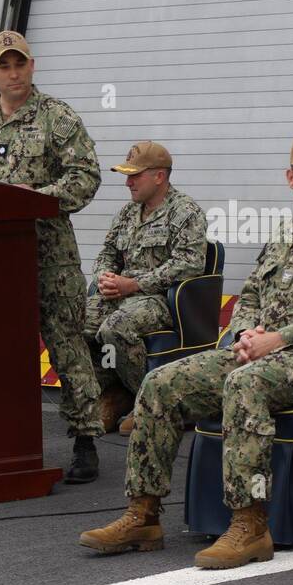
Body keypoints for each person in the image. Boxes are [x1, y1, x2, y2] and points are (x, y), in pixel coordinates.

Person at [79, 129, 293, 569]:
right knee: (162, 383)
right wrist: (243, 336)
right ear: (290, 178)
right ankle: (142, 514)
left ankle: (250, 524)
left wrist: (280, 338)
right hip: (260, 351)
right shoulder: (285, 232)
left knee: (245, 385)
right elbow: (251, 296)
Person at [0, 31, 104, 484]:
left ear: (32, 66)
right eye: (5, 66)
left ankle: (86, 441)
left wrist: (35, 199)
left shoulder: (57, 118)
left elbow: (85, 177)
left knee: (68, 346)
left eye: (21, 64)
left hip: (49, 257)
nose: (14, 73)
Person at [87, 141, 207, 434]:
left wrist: (135, 284)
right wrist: (105, 276)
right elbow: (107, 253)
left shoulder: (185, 212)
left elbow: (190, 263)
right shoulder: (128, 213)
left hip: (159, 299)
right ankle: (113, 394)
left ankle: (151, 402)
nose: (128, 183)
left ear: (159, 176)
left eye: (135, 175)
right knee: (74, 322)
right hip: (121, 294)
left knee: (115, 327)